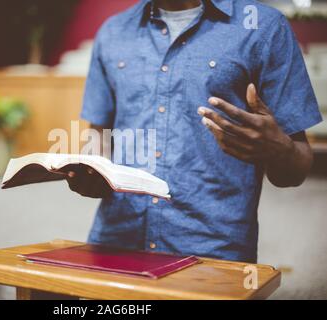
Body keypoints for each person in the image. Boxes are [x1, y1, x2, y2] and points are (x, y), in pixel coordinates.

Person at [66, 0, 322, 262]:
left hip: (211, 248)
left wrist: (278, 149)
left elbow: (296, 169)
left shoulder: (265, 27)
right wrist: (92, 170)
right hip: (115, 237)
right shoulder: (113, 30)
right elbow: (99, 133)